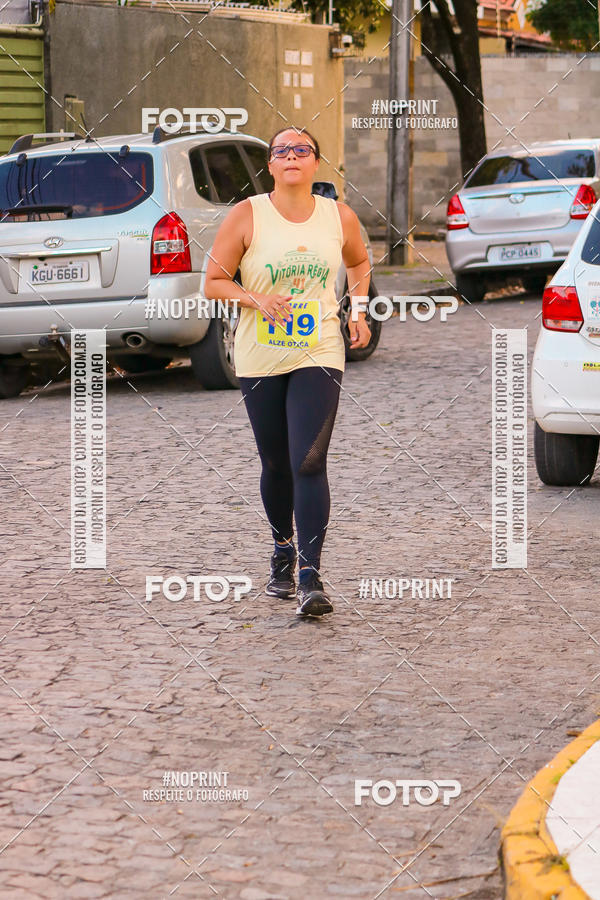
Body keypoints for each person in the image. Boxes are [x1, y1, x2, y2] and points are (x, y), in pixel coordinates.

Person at [204, 126, 372, 617]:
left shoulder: (338, 216)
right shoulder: (246, 215)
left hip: (317, 349)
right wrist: (255, 298)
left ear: (316, 163)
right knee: (276, 463)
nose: (292, 156)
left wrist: (357, 312)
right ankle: (281, 547)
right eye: (282, 151)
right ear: (271, 166)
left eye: (303, 149)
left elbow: (360, 263)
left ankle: (309, 574)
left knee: (309, 460)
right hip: (259, 355)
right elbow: (213, 282)